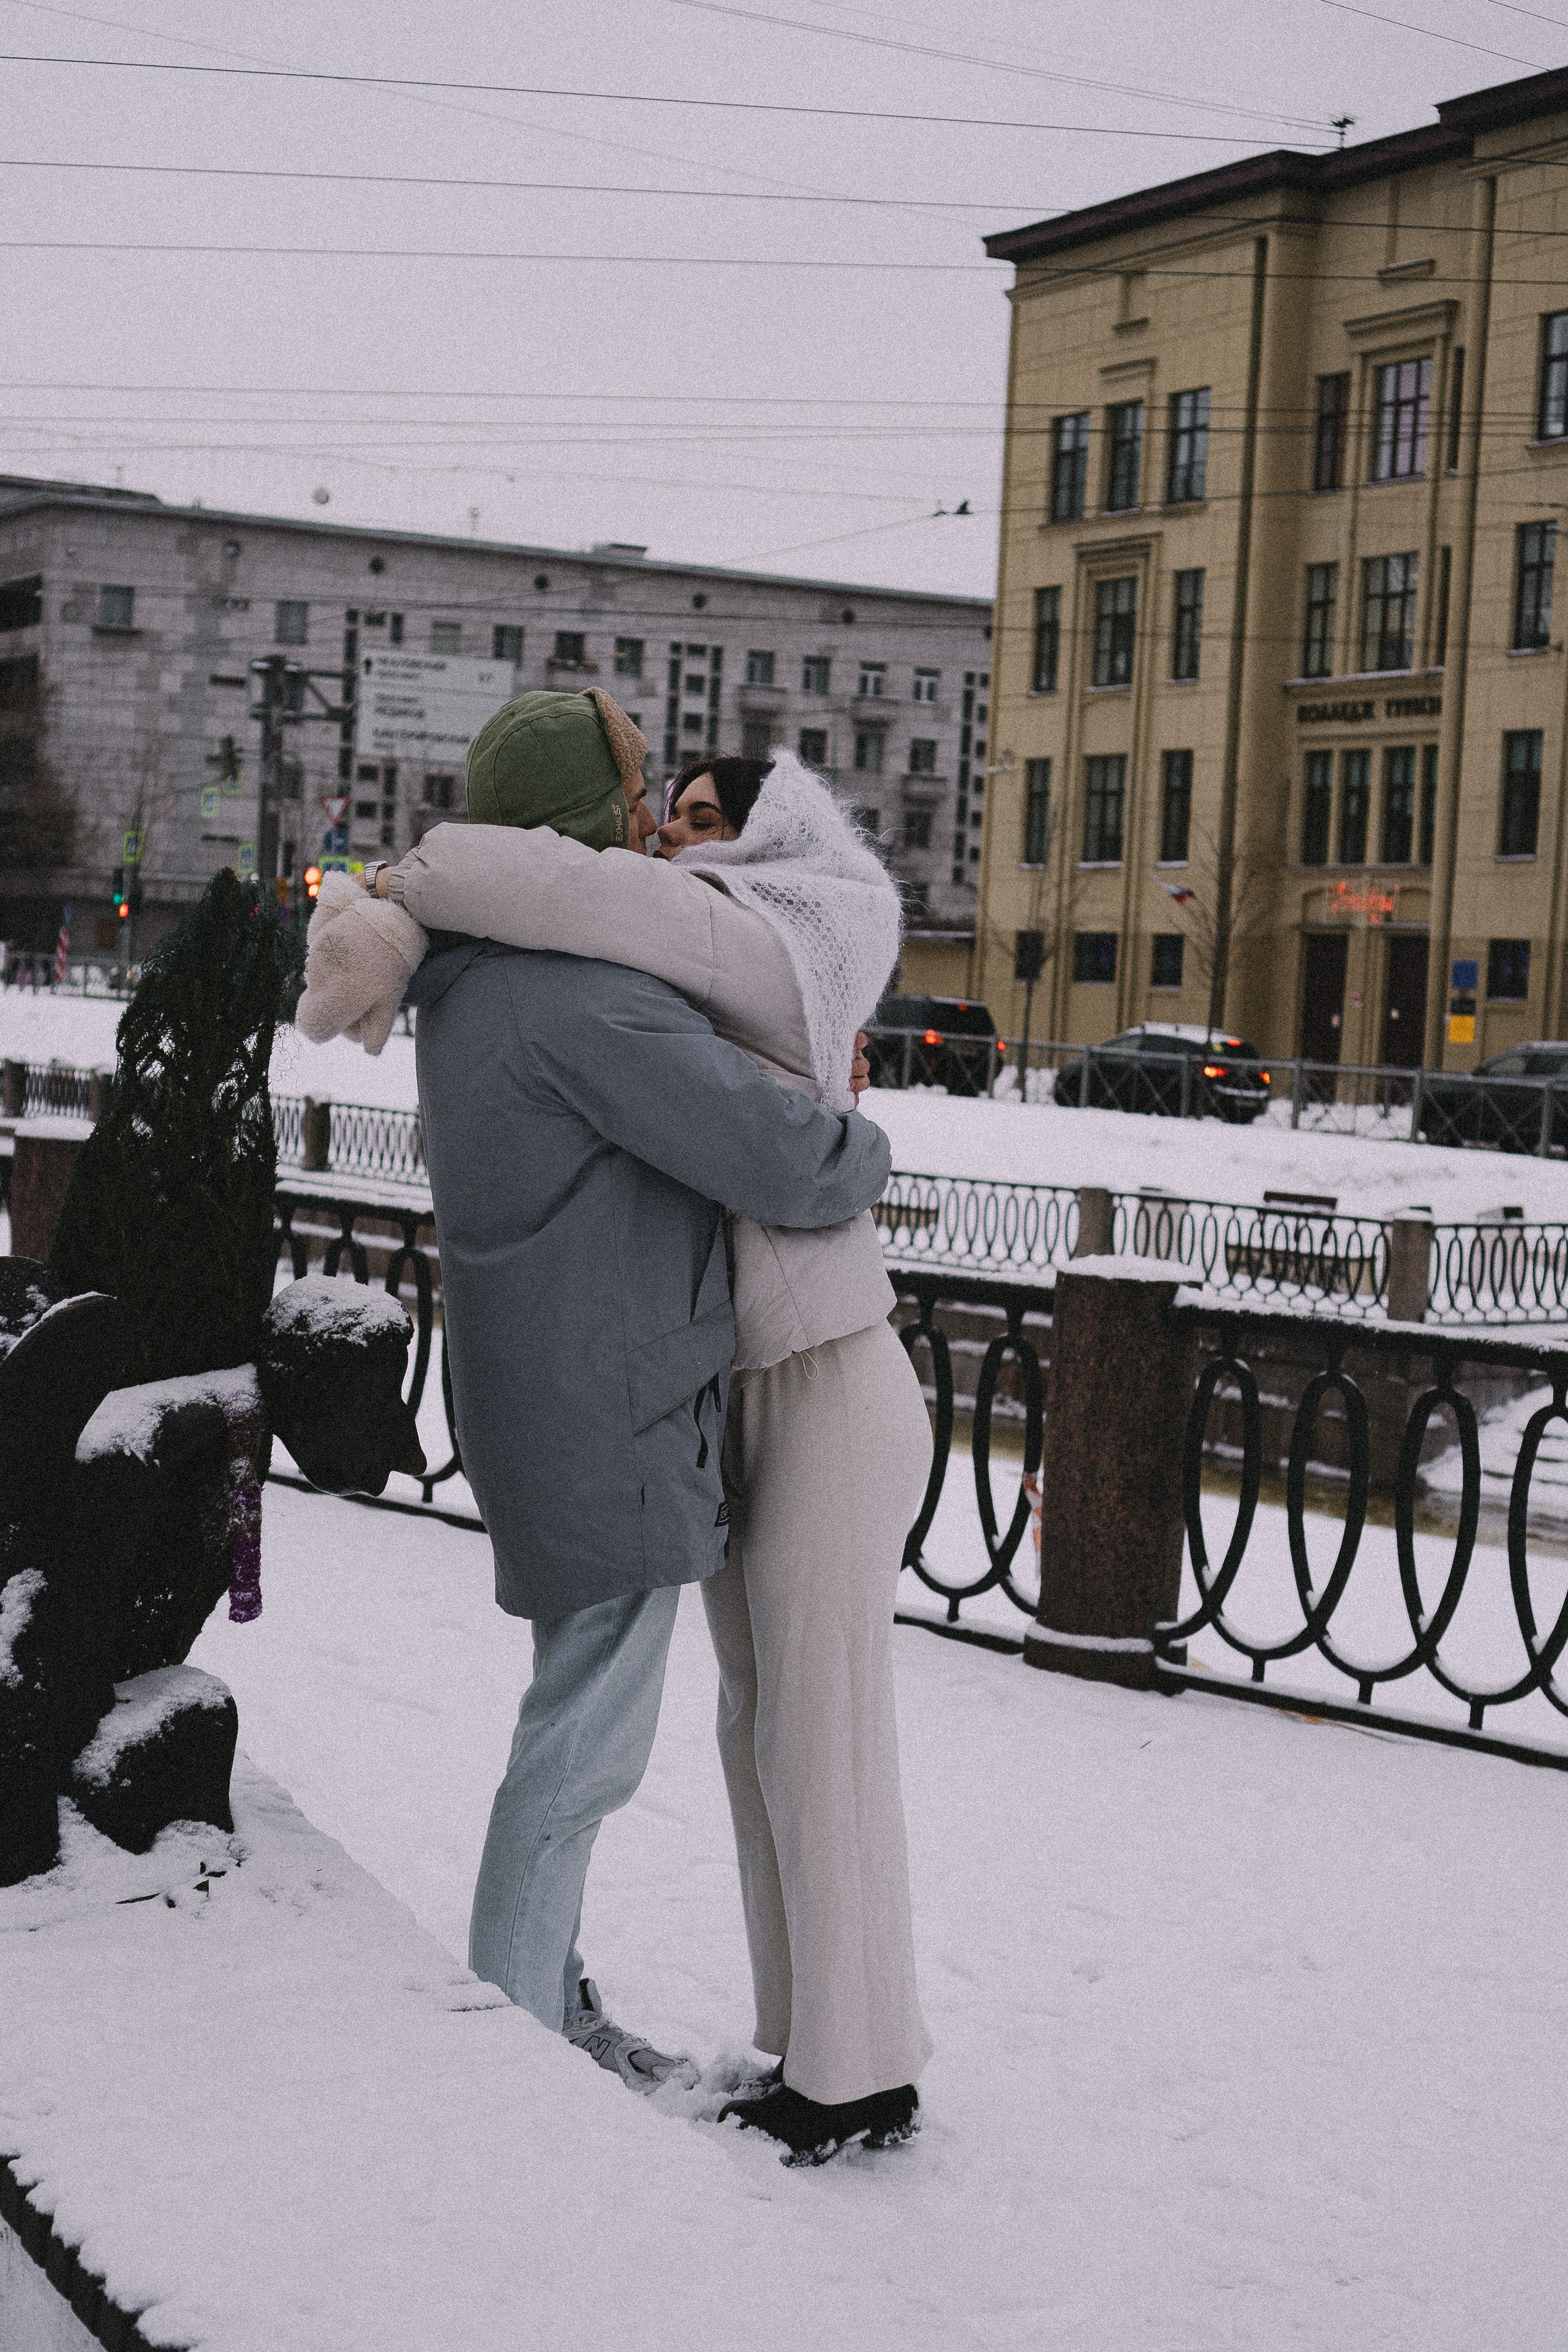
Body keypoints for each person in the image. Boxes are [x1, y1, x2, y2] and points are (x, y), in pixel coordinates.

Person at [297, 689, 895, 2111]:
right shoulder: (580, 998)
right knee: (580, 1755)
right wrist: (859, 1124)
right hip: (610, 1416)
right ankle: (511, 2039)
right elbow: (788, 1160)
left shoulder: (484, 979)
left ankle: (542, 1997)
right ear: (567, 814)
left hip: (551, 1396)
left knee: (568, 1729)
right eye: (629, 796)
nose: (644, 828)